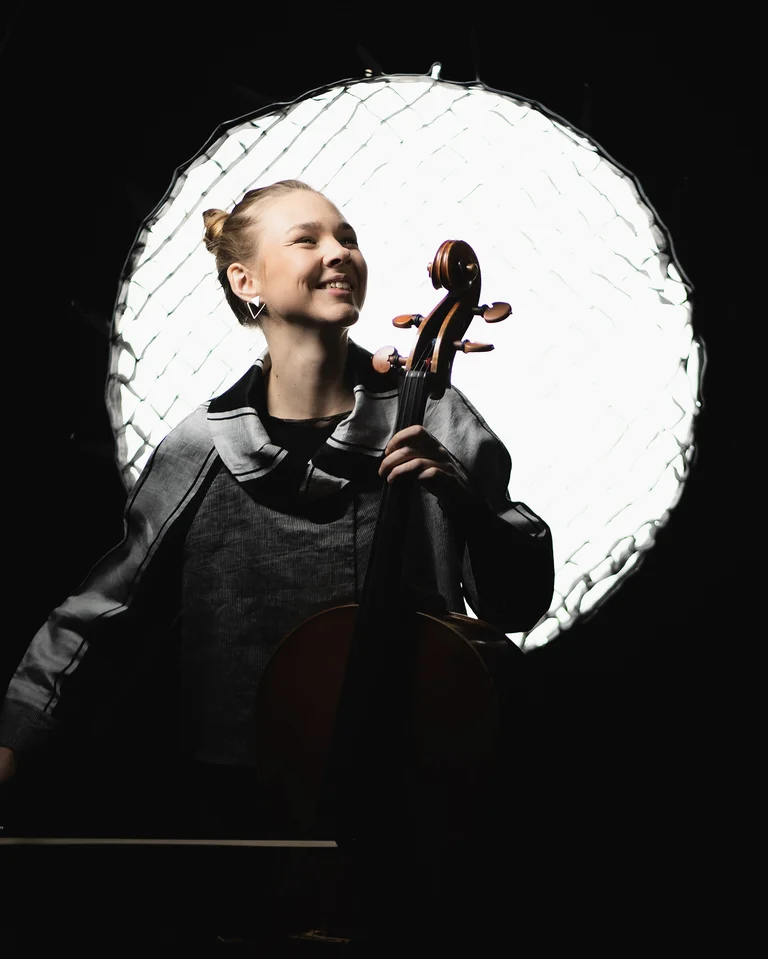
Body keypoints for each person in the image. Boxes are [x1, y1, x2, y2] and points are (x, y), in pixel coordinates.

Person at [0, 179, 554, 942]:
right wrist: (14, 742)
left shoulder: (435, 419)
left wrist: (463, 501)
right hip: (243, 810)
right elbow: (101, 618)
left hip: (411, 801)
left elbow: (517, 602)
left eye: (347, 236)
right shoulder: (201, 448)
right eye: (307, 239)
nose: (340, 252)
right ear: (245, 280)